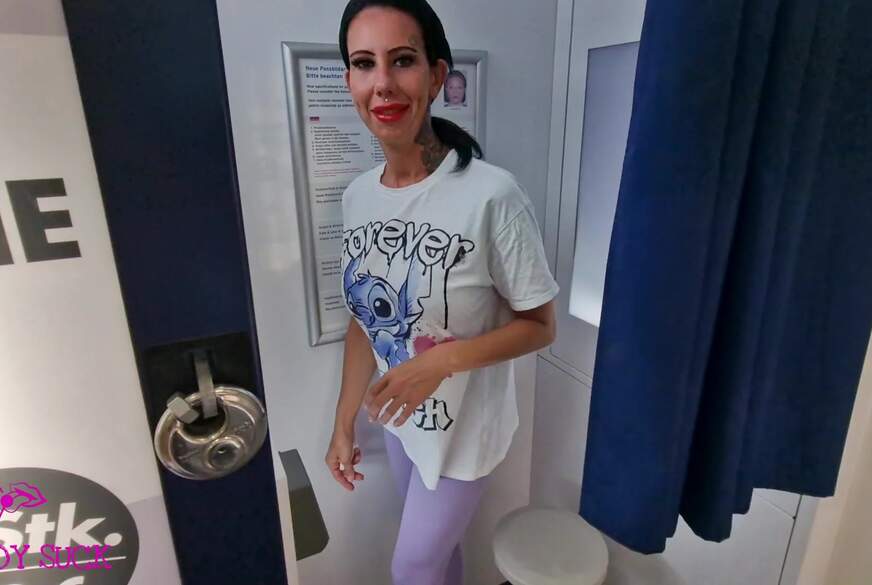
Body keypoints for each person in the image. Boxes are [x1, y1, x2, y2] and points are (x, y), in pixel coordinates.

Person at [326, 1, 560, 583]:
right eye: (364, 63)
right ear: (350, 81)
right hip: (401, 422)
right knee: (440, 558)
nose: (383, 83)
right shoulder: (357, 197)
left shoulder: (492, 195)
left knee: (411, 568)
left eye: (402, 60)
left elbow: (540, 325)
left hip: (465, 435)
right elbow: (363, 321)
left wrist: (441, 362)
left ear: (435, 76)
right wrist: (344, 420)